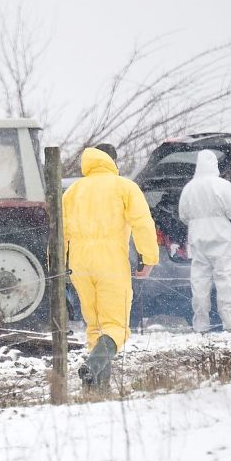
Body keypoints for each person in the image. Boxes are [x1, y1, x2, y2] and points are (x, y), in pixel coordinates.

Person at [63, 147, 158, 391]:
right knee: (116, 327)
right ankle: (93, 365)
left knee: (94, 326)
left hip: (79, 264)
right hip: (110, 262)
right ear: (112, 161)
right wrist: (148, 258)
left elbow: (59, 231)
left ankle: (97, 389)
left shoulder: (72, 192)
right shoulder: (124, 187)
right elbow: (142, 223)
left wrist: (58, 264)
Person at [178, 150, 231, 332]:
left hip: (197, 238)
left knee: (199, 283)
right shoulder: (222, 185)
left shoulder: (189, 188)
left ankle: (201, 325)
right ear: (214, 164)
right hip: (221, 237)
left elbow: (183, 215)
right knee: (225, 280)